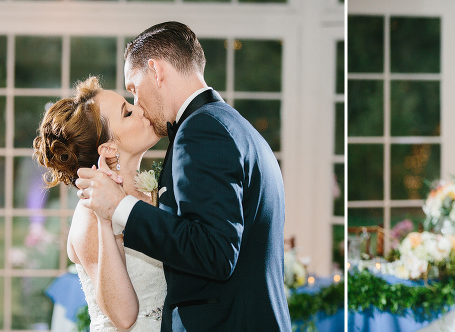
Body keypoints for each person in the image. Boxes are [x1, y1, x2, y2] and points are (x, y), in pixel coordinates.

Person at [75, 21, 292, 331]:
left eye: (134, 90)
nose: (139, 106)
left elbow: (214, 251)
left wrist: (119, 207)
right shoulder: (231, 124)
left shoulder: (201, 130)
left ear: (156, 70)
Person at [33, 76, 165, 331]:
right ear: (109, 148)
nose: (139, 108)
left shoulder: (153, 193)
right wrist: (106, 220)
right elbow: (124, 317)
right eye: (127, 113)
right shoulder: (89, 214)